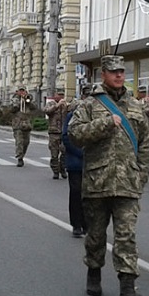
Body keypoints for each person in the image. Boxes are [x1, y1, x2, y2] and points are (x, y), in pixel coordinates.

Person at [69, 55, 149, 296]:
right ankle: (94, 270)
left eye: (121, 72)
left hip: (127, 182)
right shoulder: (90, 104)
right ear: (102, 74)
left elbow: (145, 143)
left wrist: (141, 175)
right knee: (95, 234)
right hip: (98, 181)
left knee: (126, 236)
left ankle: (128, 287)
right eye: (113, 72)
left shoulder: (135, 105)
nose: (118, 76)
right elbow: (75, 134)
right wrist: (105, 123)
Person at [62, 84, 91, 238]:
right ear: (83, 97)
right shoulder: (73, 114)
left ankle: (88, 223)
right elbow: (66, 137)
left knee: (91, 195)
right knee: (76, 193)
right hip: (76, 162)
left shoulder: (99, 115)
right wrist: (81, 153)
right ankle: (76, 224)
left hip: (94, 163)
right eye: (87, 96)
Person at [10, 86, 36, 167]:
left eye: (23, 91)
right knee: (19, 142)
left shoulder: (28, 99)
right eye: (20, 91)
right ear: (17, 92)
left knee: (26, 142)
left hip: (27, 124)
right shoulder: (14, 99)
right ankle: (19, 158)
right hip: (17, 124)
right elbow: (12, 109)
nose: (22, 93)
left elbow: (33, 107)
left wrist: (27, 100)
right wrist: (17, 102)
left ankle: (22, 155)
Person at [44, 88, 68, 179]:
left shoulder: (66, 104)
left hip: (64, 132)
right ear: (55, 95)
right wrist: (57, 106)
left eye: (62, 95)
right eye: (59, 95)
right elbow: (47, 111)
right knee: (54, 153)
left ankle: (63, 168)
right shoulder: (51, 104)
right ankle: (55, 171)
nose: (61, 97)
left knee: (65, 152)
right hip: (54, 132)